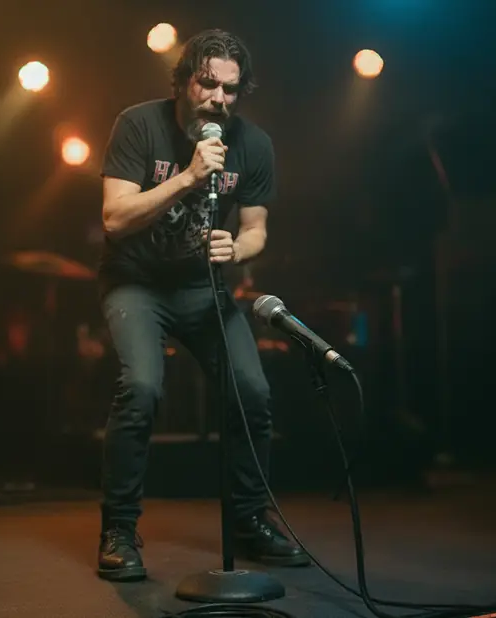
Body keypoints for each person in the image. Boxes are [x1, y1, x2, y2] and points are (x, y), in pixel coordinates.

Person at [95, 28, 309, 581]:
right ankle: (118, 529)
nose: (218, 99)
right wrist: (189, 177)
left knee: (254, 391)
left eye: (230, 90)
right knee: (140, 387)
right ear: (184, 81)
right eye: (208, 84)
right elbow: (115, 219)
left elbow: (258, 229)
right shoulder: (139, 124)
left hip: (201, 287)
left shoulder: (252, 145)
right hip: (136, 282)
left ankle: (249, 521)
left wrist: (236, 247)